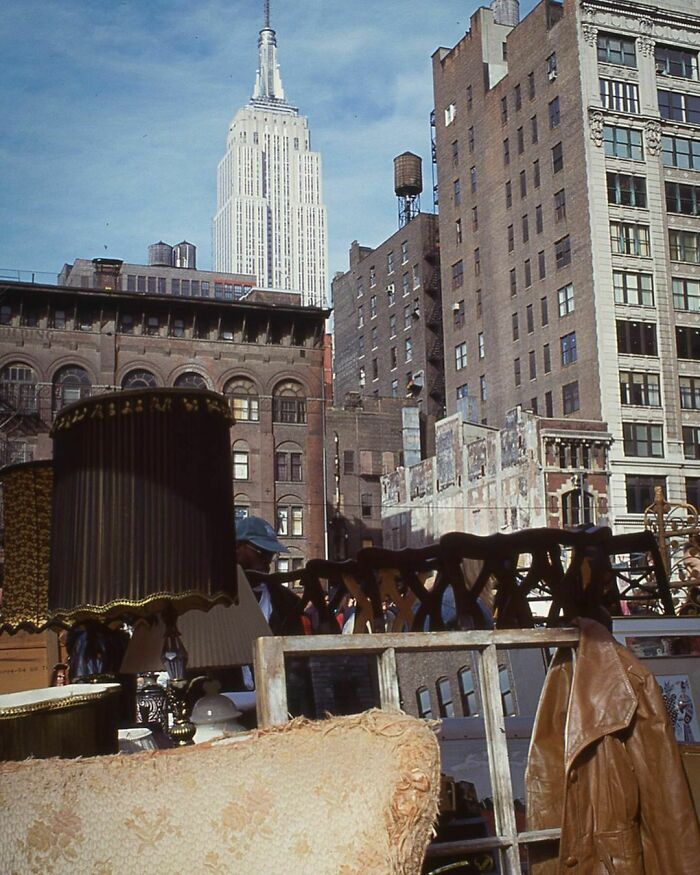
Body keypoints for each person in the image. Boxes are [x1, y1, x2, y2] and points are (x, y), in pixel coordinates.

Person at [235, 516, 304, 635]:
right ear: (237, 547)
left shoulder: (287, 600)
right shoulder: (219, 595)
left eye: (271, 555)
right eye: (261, 553)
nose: (267, 561)